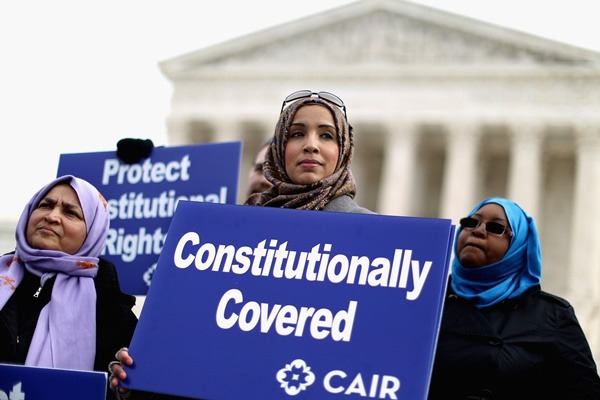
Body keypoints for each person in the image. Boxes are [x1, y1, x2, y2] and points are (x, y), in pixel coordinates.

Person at [109, 90, 375, 398]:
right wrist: (141, 376)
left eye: (327, 135)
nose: (311, 144)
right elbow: (196, 335)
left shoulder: (372, 240)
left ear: (343, 150)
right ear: (278, 149)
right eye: (296, 133)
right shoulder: (227, 235)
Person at [428, 196, 600, 399]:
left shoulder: (551, 315)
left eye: (495, 228)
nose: (478, 230)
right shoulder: (427, 299)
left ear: (518, 247)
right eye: (471, 222)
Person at [0, 175, 138, 400]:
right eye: (45, 205)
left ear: (92, 232)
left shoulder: (111, 309)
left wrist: (126, 383)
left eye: (70, 212)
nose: (52, 216)